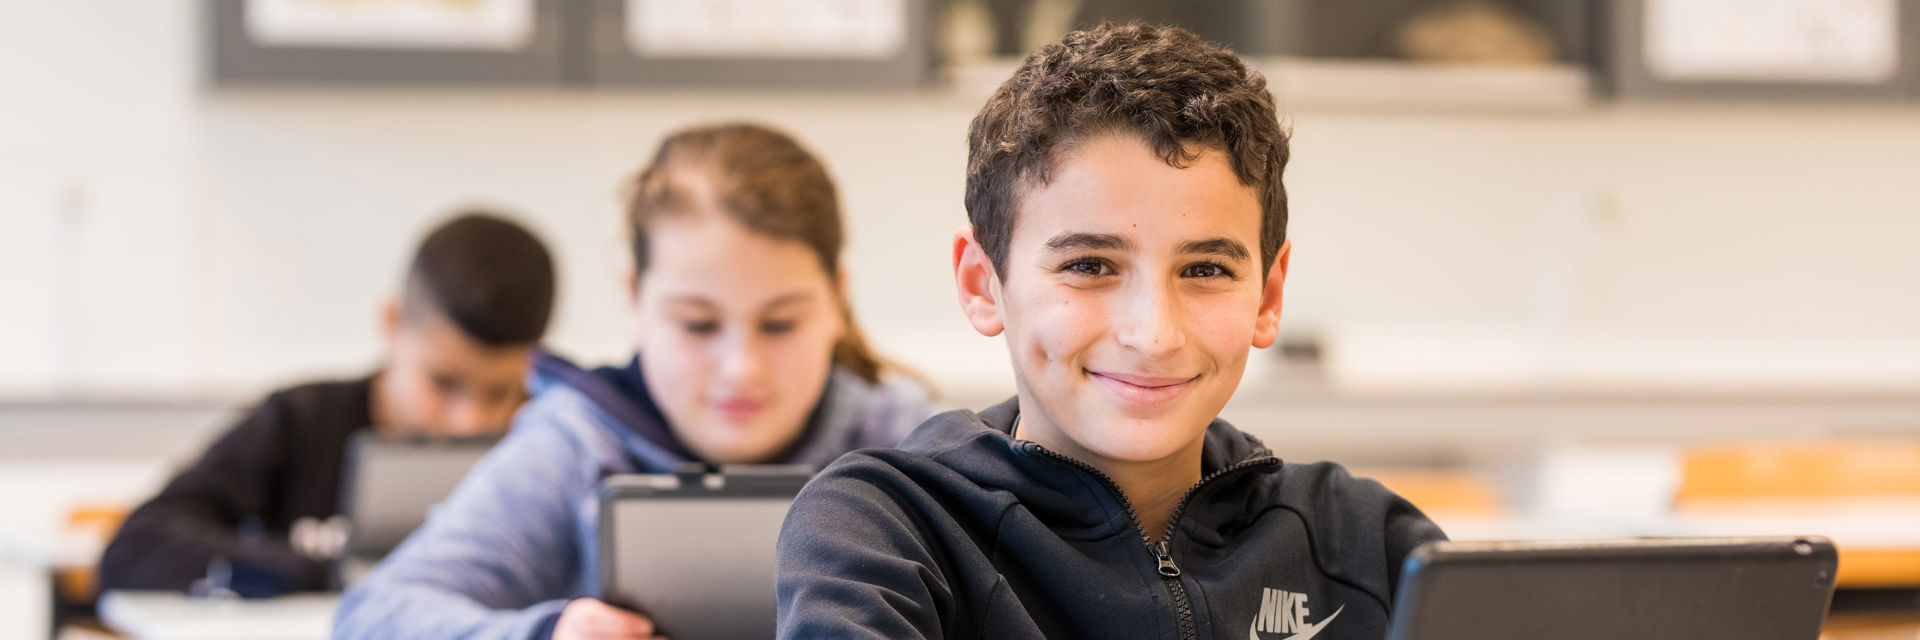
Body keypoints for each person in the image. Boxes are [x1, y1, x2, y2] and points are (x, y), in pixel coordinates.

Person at [775, 23, 1447, 639]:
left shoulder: (1369, 543)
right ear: (984, 286)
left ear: (1268, 295)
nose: (1152, 335)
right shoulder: (885, 528)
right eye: (1089, 266)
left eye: (1206, 268)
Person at [332, 122, 938, 639]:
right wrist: (546, 633)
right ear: (636, 302)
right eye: (698, 324)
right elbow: (372, 614)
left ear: (837, 300)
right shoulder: (576, 442)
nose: (741, 368)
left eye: (779, 323)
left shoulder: (907, 443)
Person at [98, 212, 557, 595]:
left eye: (501, 392)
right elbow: (137, 547)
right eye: (443, 382)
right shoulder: (299, 422)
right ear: (393, 322)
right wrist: (332, 569)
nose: (469, 423)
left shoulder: (555, 440)